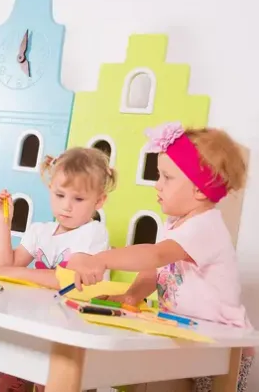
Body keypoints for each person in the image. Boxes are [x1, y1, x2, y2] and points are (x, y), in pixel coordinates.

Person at [66, 122, 254, 392]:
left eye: (167, 177)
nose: (157, 185)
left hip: (223, 342)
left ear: (200, 189)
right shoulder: (176, 223)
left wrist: (101, 259)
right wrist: (132, 296)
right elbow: (155, 270)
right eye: (158, 175)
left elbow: (154, 256)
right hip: (188, 332)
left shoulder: (206, 226)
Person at [0, 147, 117, 392]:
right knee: (3, 379)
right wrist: (4, 221)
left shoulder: (93, 232)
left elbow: (70, 280)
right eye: (60, 195)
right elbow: (6, 266)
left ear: (99, 201)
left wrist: (17, 273)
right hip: (36, 323)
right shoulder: (39, 231)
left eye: (78, 199)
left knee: (51, 384)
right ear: (50, 190)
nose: (66, 206)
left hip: (71, 331)